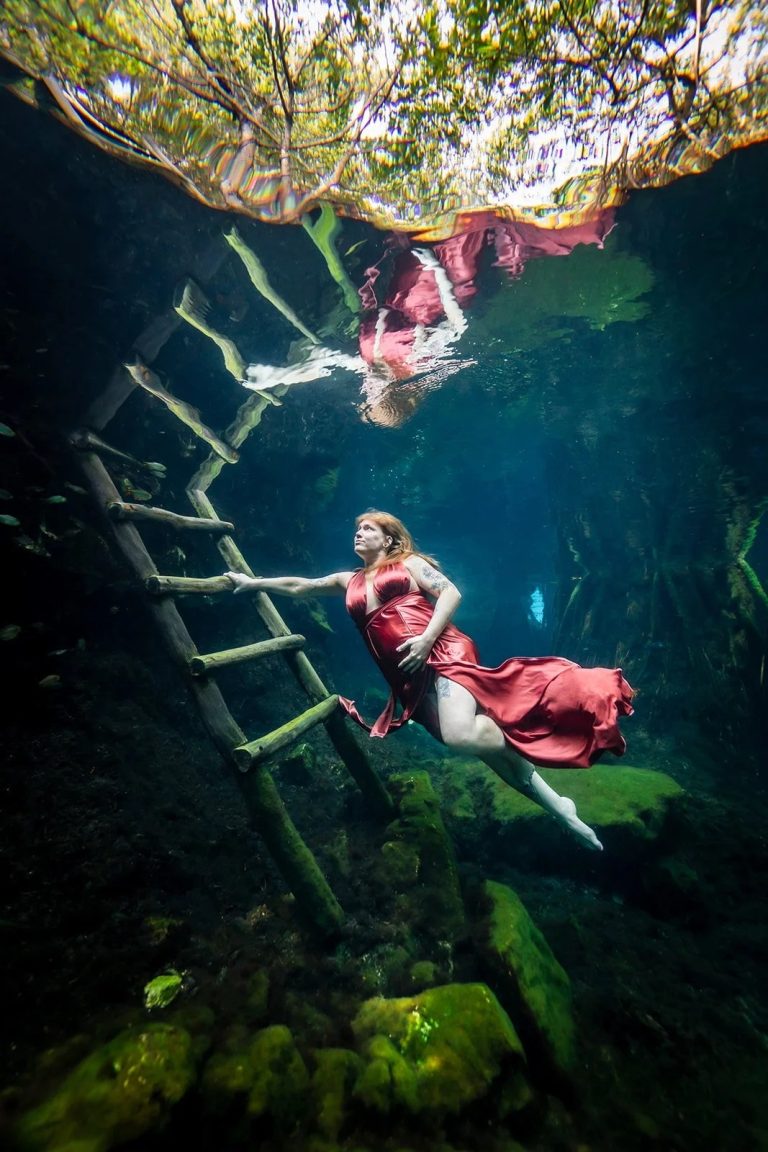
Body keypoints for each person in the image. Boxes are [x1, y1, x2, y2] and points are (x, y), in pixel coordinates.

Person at [226, 511, 634, 851]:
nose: (359, 532)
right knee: (484, 751)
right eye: (357, 528)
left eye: (368, 528)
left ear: (389, 540)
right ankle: (560, 809)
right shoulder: (347, 581)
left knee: (460, 735)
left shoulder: (407, 564)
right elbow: (302, 586)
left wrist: (425, 640)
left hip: (442, 652)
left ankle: (524, 732)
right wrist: (253, 582)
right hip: (407, 679)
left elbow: (451, 593)